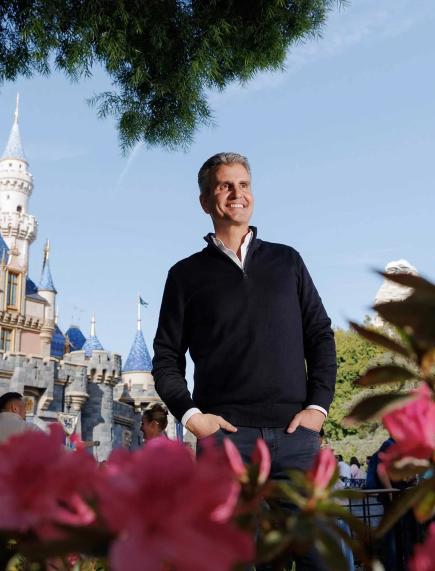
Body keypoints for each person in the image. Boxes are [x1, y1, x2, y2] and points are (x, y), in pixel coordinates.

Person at [153, 152, 337, 570]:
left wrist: (318, 407)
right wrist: (193, 418)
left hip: (296, 438)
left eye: (244, 185)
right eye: (225, 186)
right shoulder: (184, 275)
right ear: (206, 201)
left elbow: (320, 336)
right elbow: (165, 358)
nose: (237, 194)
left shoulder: (287, 261)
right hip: (226, 442)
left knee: (320, 559)